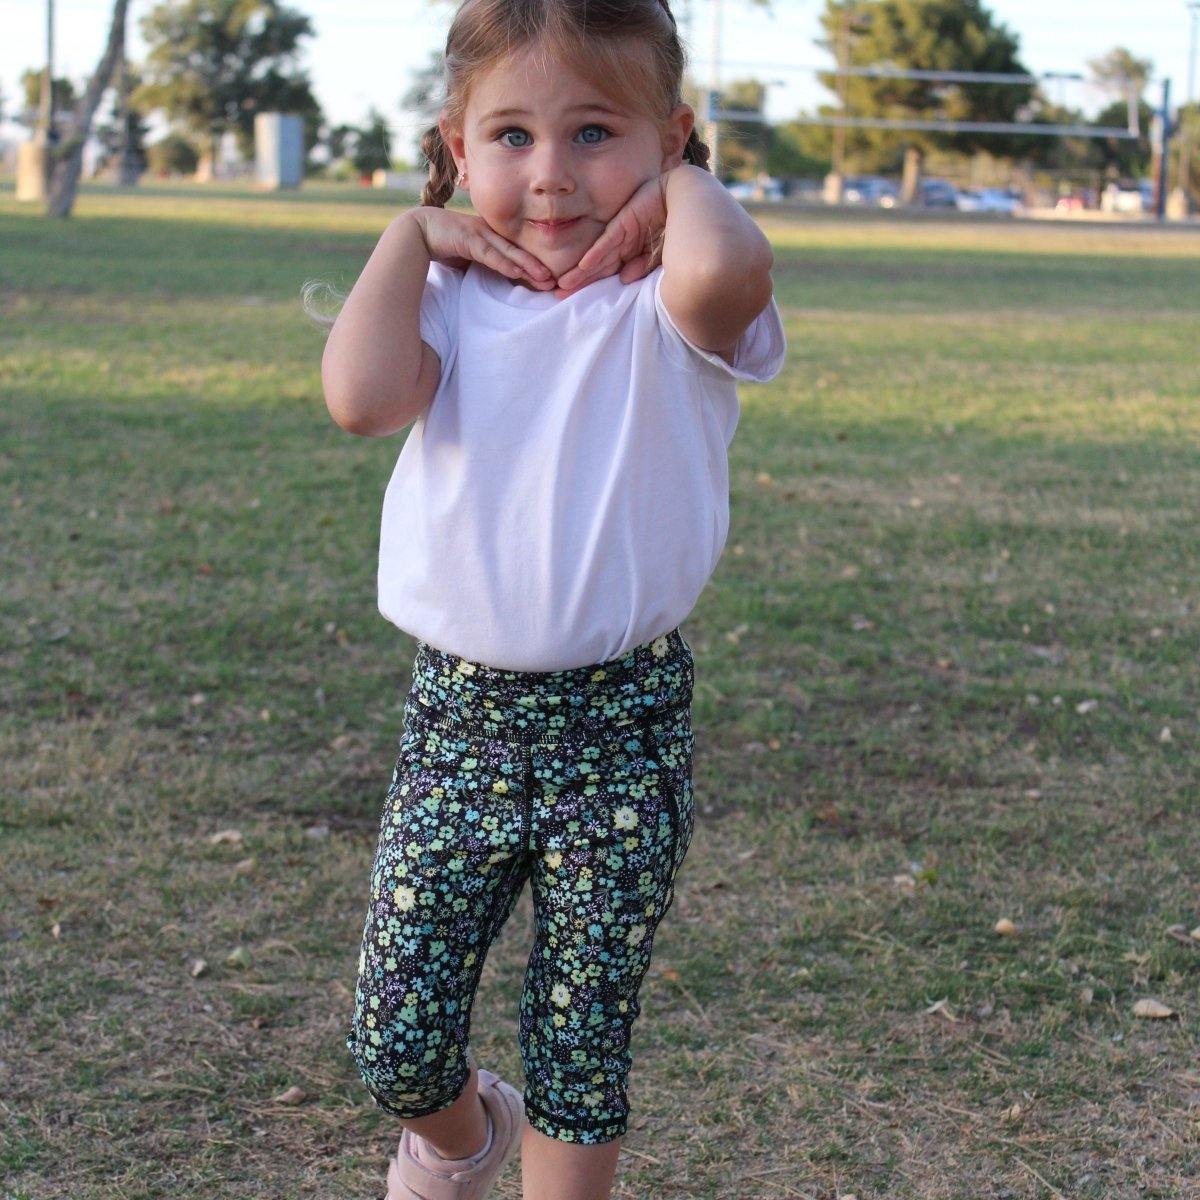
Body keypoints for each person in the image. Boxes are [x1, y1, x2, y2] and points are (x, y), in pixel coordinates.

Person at [306, 0, 786, 1195]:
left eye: (595, 133)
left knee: (582, 1034)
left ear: (668, 137)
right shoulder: (451, 293)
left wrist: (677, 191)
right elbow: (361, 401)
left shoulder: (669, 298)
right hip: (459, 723)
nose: (553, 173)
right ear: (459, 149)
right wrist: (410, 236)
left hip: (623, 726)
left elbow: (727, 266)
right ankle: (463, 1139)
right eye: (512, 135)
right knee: (395, 1037)